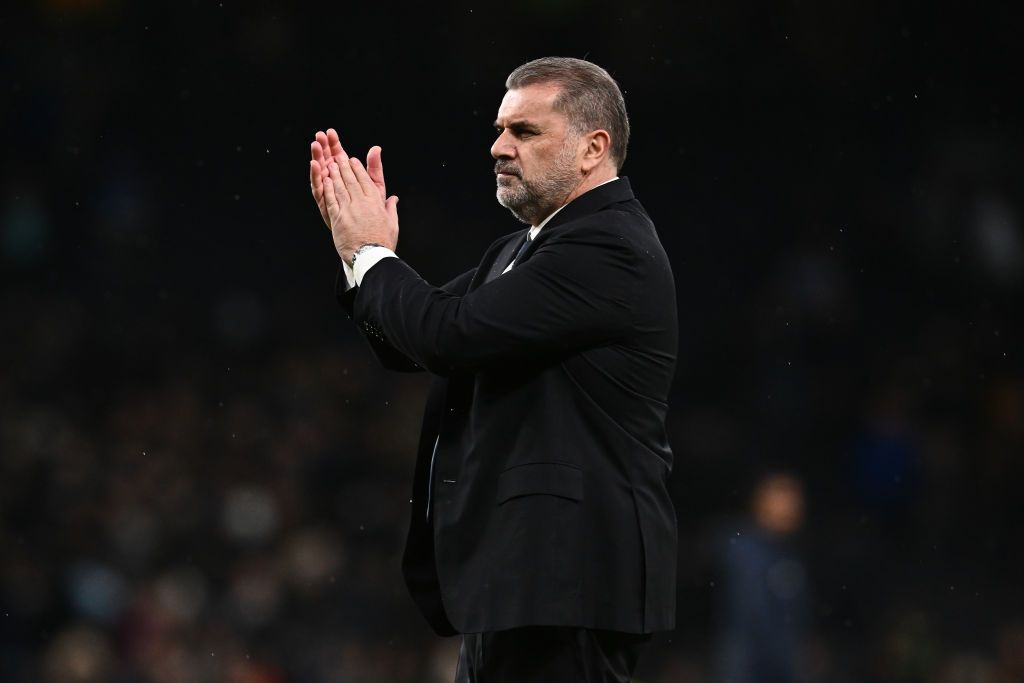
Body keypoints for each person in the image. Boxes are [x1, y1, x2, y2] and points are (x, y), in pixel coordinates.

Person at [308, 57, 678, 681]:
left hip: (568, 581)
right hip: (521, 579)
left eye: (525, 132)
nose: (499, 147)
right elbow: (409, 344)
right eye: (501, 129)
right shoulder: (522, 250)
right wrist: (359, 255)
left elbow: (446, 335)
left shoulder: (609, 247)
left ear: (594, 147)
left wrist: (372, 253)